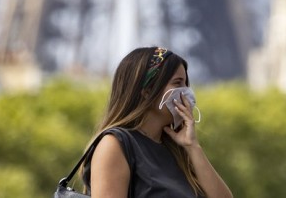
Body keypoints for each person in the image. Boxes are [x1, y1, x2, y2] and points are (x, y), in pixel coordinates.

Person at [81, 46, 233, 198]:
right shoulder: (115, 144)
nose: (186, 93)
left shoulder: (176, 149)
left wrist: (193, 147)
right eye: (178, 83)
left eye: (186, 84)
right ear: (147, 92)